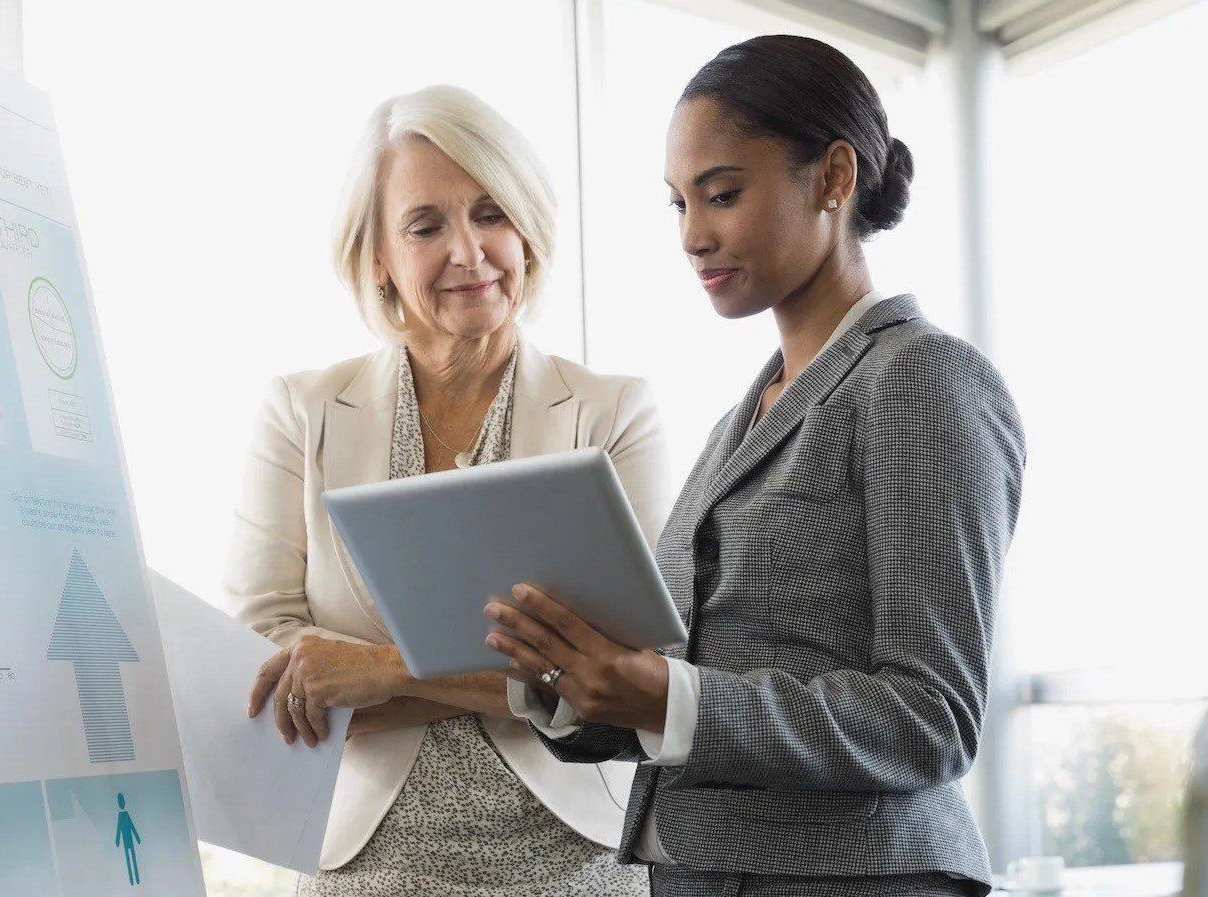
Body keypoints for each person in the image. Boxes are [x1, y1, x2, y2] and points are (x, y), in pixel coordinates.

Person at [485, 35, 1026, 897]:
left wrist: (673, 698)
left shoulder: (919, 379)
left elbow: (933, 715)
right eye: (676, 205)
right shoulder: (739, 422)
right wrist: (569, 673)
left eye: (723, 195)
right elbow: (686, 678)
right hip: (700, 874)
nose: (695, 236)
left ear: (833, 178)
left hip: (852, 878)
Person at [228, 86, 666, 896]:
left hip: (571, 858)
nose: (468, 251)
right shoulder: (302, 410)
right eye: (425, 225)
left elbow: (634, 669)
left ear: (527, 229)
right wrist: (531, 682)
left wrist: (382, 670)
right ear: (378, 259)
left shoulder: (613, 412)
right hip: (362, 860)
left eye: (491, 213)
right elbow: (263, 662)